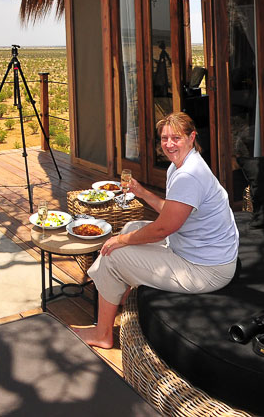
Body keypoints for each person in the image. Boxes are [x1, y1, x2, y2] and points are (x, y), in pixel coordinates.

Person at [72, 112, 238, 349]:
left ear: (191, 137)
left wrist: (121, 240)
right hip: (198, 251)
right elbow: (171, 213)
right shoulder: (181, 166)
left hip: (206, 270)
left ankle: (102, 334)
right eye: (164, 138)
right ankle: (119, 294)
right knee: (133, 227)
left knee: (113, 254)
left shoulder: (189, 175)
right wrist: (142, 192)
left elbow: (163, 228)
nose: (169, 144)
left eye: (176, 138)